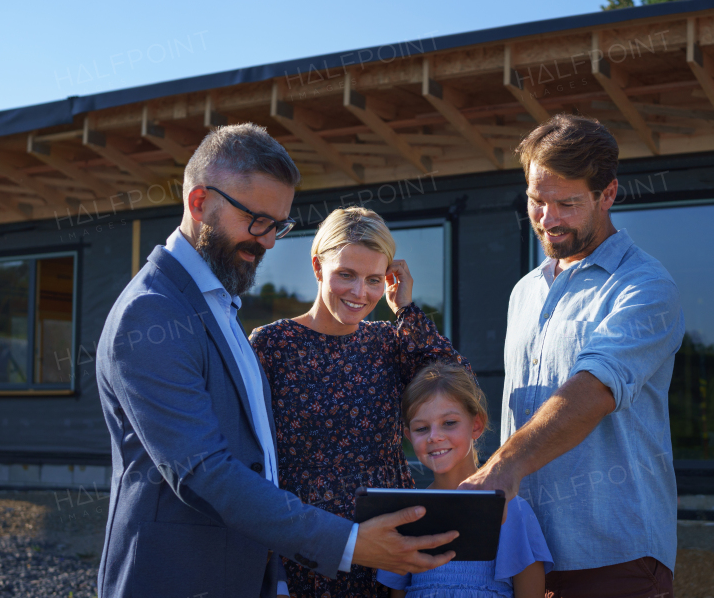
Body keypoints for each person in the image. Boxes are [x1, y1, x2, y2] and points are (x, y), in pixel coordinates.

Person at [96, 123, 457, 598]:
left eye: (278, 225)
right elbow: (204, 473)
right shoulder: (152, 312)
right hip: (182, 578)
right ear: (199, 202)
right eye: (257, 220)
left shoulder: (219, 305)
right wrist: (349, 543)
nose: (268, 242)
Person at [459, 114, 686, 598]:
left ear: (608, 195)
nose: (547, 218)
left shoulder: (646, 286)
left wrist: (501, 470)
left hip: (612, 555)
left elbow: (593, 388)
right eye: (536, 201)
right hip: (521, 550)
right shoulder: (525, 291)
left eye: (567, 203)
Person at [250, 207, 474, 597]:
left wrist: (405, 309)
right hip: (308, 548)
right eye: (346, 275)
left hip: (389, 549)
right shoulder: (271, 345)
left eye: (374, 279)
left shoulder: (389, 341)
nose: (360, 294)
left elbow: (456, 385)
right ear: (318, 267)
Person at [378, 361, 552, 598]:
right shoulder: (407, 514)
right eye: (421, 429)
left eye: (449, 423)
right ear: (408, 436)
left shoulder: (511, 510)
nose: (435, 437)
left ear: (476, 425)